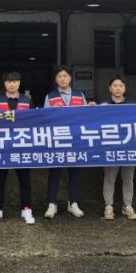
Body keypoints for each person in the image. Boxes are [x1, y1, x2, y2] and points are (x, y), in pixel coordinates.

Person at [0, 71, 35, 225]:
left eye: (15, 81)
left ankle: (26, 210)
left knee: (25, 180)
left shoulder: (27, 101)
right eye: (9, 81)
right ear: (4, 83)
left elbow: (33, 122)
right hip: (2, 147)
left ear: (19, 83)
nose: (12, 84)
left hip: (22, 146)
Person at [44, 65, 87, 219]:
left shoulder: (80, 95)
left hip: (75, 140)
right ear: (56, 79)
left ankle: (73, 203)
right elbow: (46, 118)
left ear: (70, 78)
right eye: (59, 76)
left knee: (74, 173)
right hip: (57, 140)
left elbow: (86, 116)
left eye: (65, 76)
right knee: (54, 172)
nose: (62, 79)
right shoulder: (50, 97)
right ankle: (52, 203)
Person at [102, 76, 136, 221]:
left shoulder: (132, 105)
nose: (118, 88)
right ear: (110, 88)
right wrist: (93, 107)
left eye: (120, 85)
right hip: (110, 147)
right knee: (109, 177)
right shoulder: (103, 105)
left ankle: (127, 205)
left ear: (125, 88)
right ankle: (108, 206)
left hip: (129, 147)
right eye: (115, 85)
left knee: (128, 178)